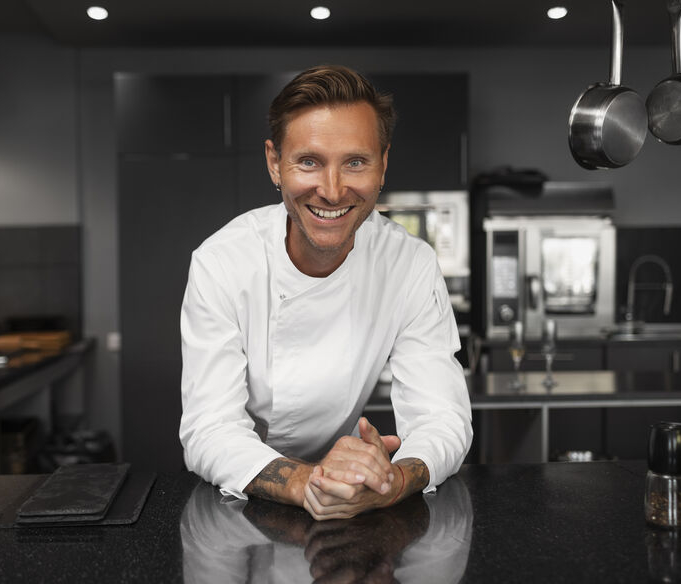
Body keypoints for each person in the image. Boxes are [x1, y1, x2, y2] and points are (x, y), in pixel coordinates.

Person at [179, 64, 472, 520]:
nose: (332, 191)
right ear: (275, 163)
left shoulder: (409, 264)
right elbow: (210, 428)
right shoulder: (222, 263)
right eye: (309, 162)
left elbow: (442, 418)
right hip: (238, 501)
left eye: (355, 162)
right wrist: (306, 482)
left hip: (360, 491)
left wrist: (393, 480)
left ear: (383, 165)